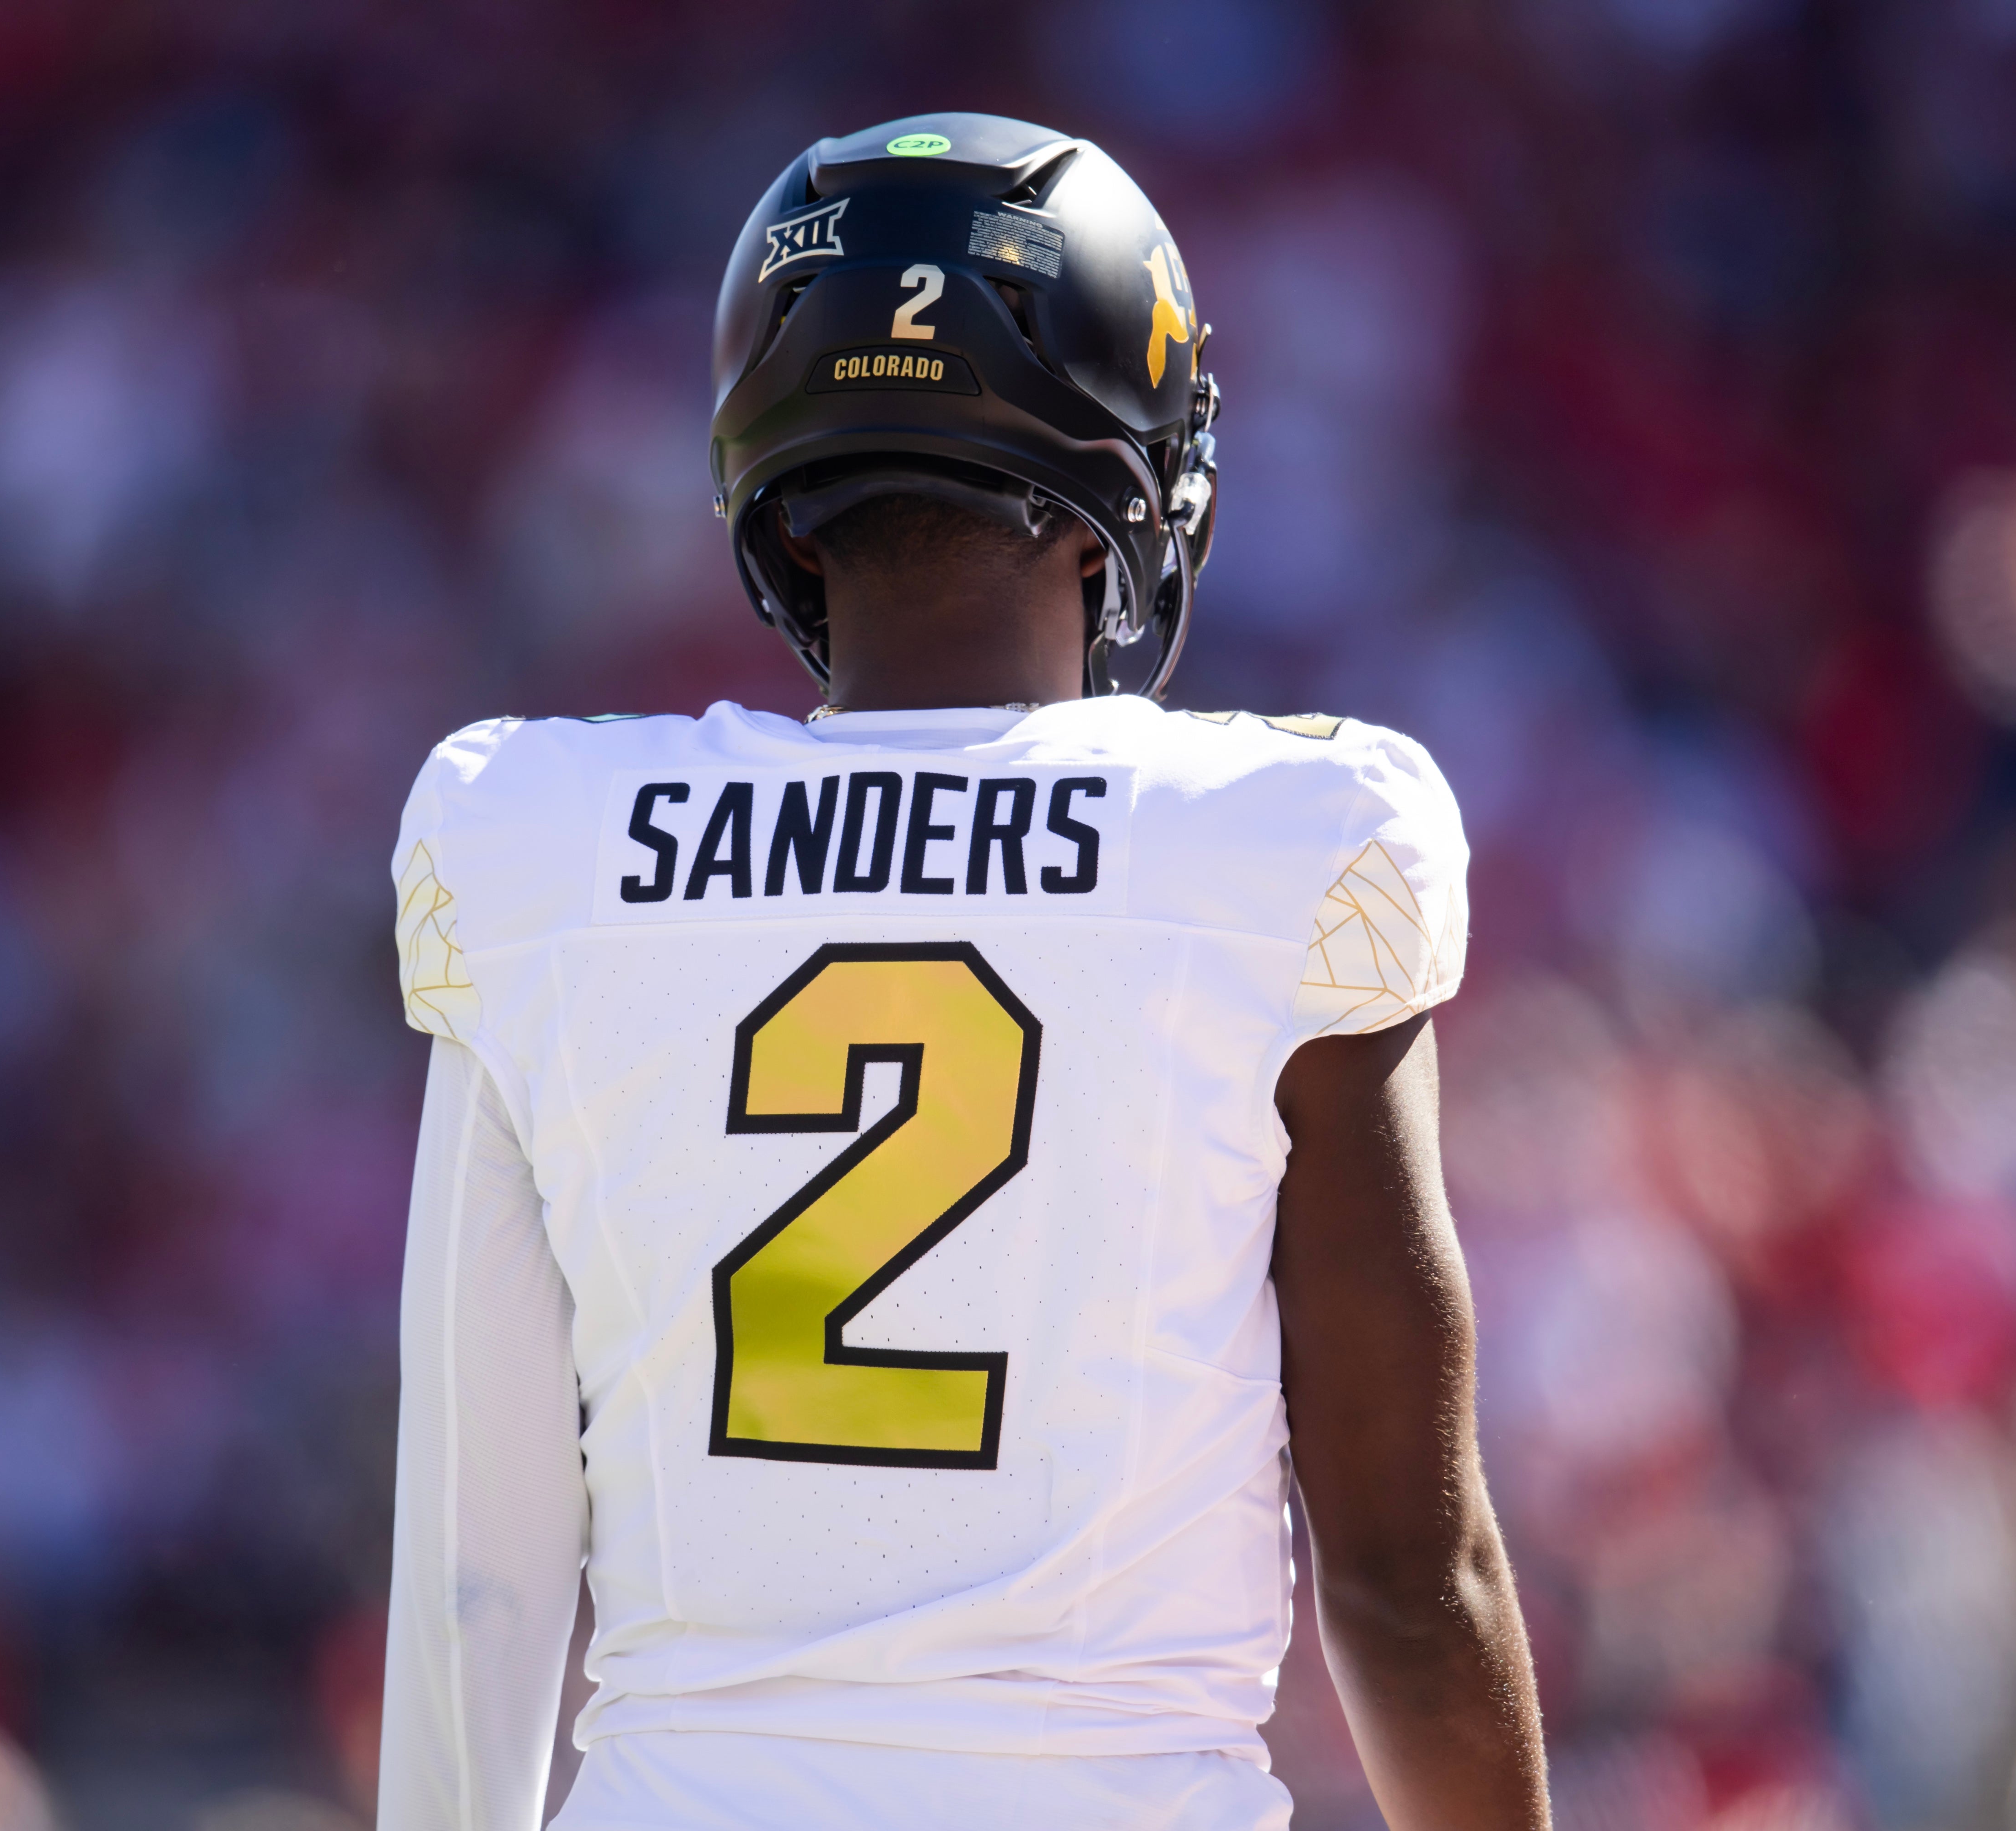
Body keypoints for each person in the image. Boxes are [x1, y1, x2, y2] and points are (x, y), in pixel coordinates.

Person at [378, 112, 1550, 1831]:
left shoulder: (542, 842)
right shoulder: (1278, 837)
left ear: (780, 510)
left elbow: (481, 1577)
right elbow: (1410, 1570)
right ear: (1121, 499)